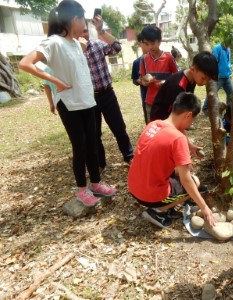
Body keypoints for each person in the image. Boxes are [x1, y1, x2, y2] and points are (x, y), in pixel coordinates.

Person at [19, 0, 117, 207]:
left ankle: (96, 184)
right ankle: (82, 189)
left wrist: (81, 47)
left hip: (87, 100)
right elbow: (25, 63)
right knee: (80, 146)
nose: (85, 26)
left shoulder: (75, 42)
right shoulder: (53, 42)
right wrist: (55, 82)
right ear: (74, 19)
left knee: (92, 144)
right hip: (70, 104)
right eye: (82, 20)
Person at [128, 92, 217, 228]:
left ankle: (160, 203)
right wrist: (204, 207)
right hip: (149, 196)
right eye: (192, 120)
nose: (190, 124)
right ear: (187, 115)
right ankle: (158, 211)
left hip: (134, 188)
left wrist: (190, 147)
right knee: (195, 182)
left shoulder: (154, 124)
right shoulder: (177, 138)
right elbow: (186, 181)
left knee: (178, 172)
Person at [81, 17, 134, 174]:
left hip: (107, 94)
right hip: (89, 98)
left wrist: (101, 31)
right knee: (94, 133)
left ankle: (129, 156)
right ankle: (100, 163)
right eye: (80, 31)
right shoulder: (74, 53)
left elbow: (117, 47)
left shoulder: (98, 45)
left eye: (85, 31)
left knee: (119, 127)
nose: (83, 34)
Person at [150, 51, 218, 122]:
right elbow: (172, 113)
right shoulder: (178, 85)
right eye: (203, 78)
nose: (205, 83)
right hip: (160, 120)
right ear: (193, 69)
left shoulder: (192, 79)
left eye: (208, 80)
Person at [139, 25, 179, 123]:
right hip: (150, 102)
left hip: (166, 101)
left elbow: (177, 77)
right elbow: (141, 79)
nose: (150, 47)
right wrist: (144, 82)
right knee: (152, 129)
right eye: (146, 44)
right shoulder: (143, 59)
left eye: (152, 43)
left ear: (159, 41)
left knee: (167, 129)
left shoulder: (169, 58)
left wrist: (166, 82)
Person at [202, 40, 233, 115]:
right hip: (218, 76)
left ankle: (229, 109)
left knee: (231, 93)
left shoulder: (228, 49)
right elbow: (213, 62)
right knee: (213, 92)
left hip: (227, 77)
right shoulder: (217, 48)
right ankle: (205, 108)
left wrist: (230, 72)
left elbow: (229, 62)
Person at [131, 32, 149, 124]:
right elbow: (134, 79)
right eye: (145, 43)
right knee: (149, 122)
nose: (148, 45)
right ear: (139, 44)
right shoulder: (137, 62)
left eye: (150, 42)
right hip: (146, 96)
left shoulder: (161, 59)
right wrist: (140, 81)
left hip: (161, 96)